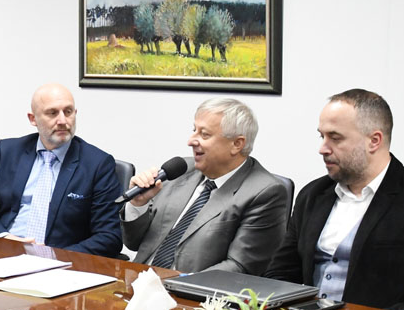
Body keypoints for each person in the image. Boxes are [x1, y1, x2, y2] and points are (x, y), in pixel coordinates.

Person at [264, 88, 404, 310]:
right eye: (322, 136)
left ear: (374, 141)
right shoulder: (314, 194)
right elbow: (279, 274)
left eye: (335, 138)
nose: (323, 148)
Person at [122, 97, 288, 274]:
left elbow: (240, 266)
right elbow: (134, 243)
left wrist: (172, 283)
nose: (191, 141)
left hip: (192, 289)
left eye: (204, 134)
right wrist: (138, 205)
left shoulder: (264, 192)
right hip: (138, 281)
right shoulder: (179, 171)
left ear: (237, 144)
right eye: (194, 130)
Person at [0, 83, 122, 256]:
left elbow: (109, 237)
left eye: (68, 112)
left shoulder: (97, 164)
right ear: (33, 119)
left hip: (60, 262)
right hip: (5, 253)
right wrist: (5, 239)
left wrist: (53, 255)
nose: (62, 121)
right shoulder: (8, 151)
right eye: (52, 113)